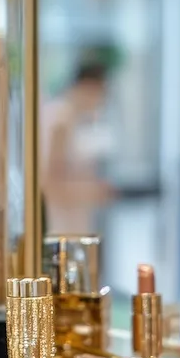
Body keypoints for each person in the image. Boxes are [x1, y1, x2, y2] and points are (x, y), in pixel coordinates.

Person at [40, 60, 114, 235]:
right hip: (61, 223)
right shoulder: (61, 120)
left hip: (77, 221)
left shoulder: (75, 119)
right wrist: (92, 191)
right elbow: (50, 184)